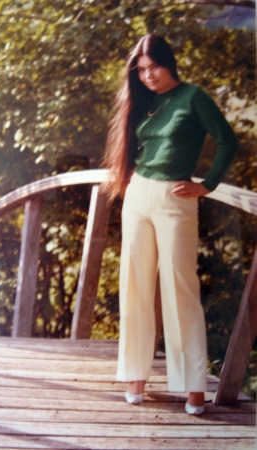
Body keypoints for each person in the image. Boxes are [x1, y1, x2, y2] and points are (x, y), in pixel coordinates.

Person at [102, 33, 238, 415]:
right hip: (138, 194)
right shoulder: (146, 100)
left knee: (180, 290)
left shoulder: (193, 97)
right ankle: (135, 376)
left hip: (176, 199)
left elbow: (228, 141)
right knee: (134, 286)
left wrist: (208, 185)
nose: (147, 76)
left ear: (170, 63)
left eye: (154, 67)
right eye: (141, 70)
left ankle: (193, 386)